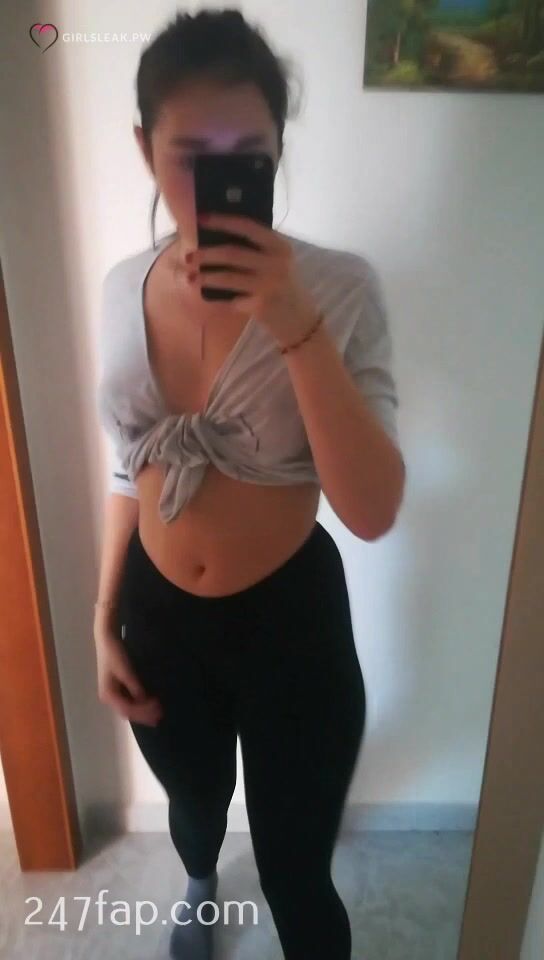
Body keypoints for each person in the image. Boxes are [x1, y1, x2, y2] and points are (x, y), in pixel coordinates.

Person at [93, 8, 406, 960]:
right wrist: (103, 616)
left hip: (290, 628)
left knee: (297, 872)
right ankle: (198, 883)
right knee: (194, 806)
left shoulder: (339, 289)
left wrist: (292, 320)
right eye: (188, 156)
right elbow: (129, 463)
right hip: (157, 617)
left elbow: (372, 510)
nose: (216, 184)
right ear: (143, 148)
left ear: (278, 150)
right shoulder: (120, 286)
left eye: (248, 157)